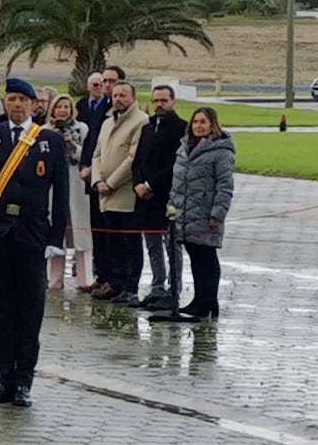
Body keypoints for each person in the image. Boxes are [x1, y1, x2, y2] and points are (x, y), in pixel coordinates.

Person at [0, 78, 68, 408]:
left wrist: (56, 238)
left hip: (32, 231)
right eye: (11, 99)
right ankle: (4, 376)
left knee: (30, 309)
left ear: (33, 105)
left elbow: (61, 193)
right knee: (1, 310)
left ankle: (24, 380)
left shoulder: (49, 141)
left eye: (22, 100)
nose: (16, 105)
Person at [157, 107, 234, 323]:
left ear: (212, 125)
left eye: (203, 122)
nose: (198, 126)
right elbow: (177, 182)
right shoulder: (183, 149)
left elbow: (225, 185)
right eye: (195, 122)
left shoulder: (221, 152)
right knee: (195, 258)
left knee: (206, 258)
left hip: (205, 213)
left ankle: (208, 301)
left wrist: (218, 213)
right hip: (183, 214)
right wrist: (172, 209)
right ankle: (200, 301)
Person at [87, 78, 145, 301]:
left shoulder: (140, 122)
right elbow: (97, 154)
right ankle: (115, 283)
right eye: (115, 95)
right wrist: (97, 181)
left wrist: (110, 183)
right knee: (111, 242)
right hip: (104, 194)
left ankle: (130, 287)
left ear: (133, 98)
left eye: (123, 95)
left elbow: (133, 158)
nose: (118, 99)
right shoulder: (107, 122)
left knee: (128, 242)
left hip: (124, 193)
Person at [132, 84, 187, 310]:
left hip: (167, 194)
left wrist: (151, 183)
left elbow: (177, 163)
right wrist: (137, 183)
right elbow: (138, 160)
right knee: (152, 244)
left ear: (173, 101)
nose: (159, 105)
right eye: (156, 101)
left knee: (171, 244)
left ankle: (174, 289)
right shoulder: (147, 128)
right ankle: (157, 287)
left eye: (164, 101)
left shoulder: (182, 128)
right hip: (145, 197)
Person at [45, 93, 89, 291]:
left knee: (81, 233)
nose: (63, 110)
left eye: (67, 107)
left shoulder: (81, 129)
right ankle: (54, 280)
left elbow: (84, 156)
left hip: (76, 183)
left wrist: (70, 142)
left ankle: (85, 279)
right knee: (55, 231)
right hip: (53, 184)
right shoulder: (44, 131)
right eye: (59, 106)